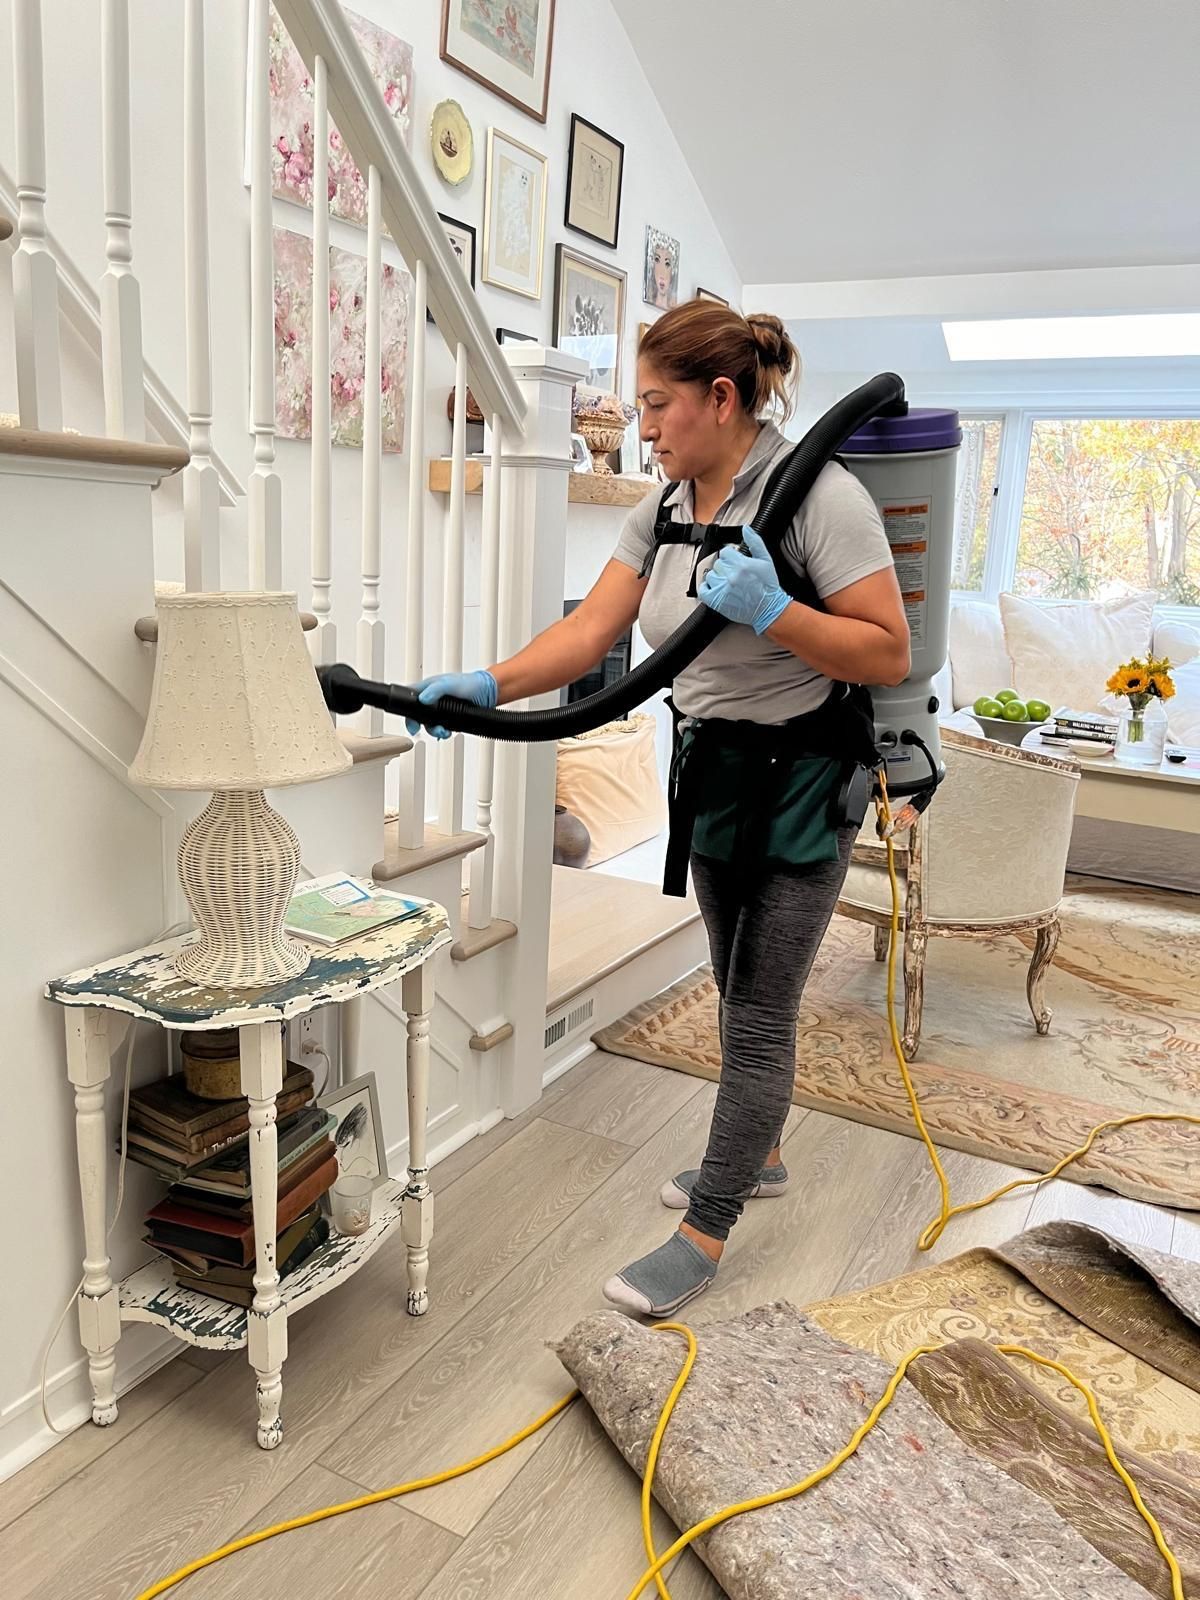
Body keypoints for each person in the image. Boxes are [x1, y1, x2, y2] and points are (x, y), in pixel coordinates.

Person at [407, 300, 910, 1316]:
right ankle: (762, 1153)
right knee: (733, 987)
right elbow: (591, 632)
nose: (640, 428)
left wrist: (779, 612)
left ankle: (705, 1231)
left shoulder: (822, 499)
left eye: (653, 404)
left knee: (759, 1013)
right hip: (713, 776)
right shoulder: (664, 506)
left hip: (806, 785)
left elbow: (887, 651)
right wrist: (490, 685)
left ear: (721, 398)